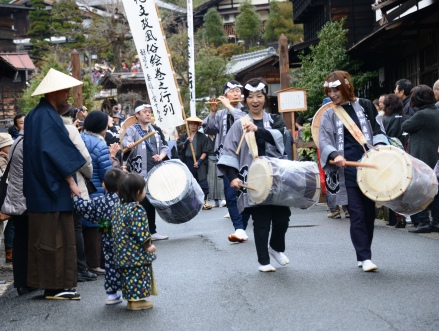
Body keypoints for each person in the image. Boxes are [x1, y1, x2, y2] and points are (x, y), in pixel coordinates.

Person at [23, 68, 86, 299]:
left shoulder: (38, 114)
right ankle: (54, 287)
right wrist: (70, 181)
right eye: (66, 90)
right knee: (54, 239)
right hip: (50, 188)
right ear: (55, 91)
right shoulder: (44, 116)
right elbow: (53, 151)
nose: (69, 94)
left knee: (53, 238)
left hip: (43, 186)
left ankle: (58, 285)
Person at [218, 78, 290, 272]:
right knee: (261, 220)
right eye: (250, 97)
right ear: (245, 100)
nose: (255, 100)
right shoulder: (239, 123)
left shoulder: (275, 120)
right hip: (253, 178)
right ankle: (264, 261)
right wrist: (232, 176)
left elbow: (282, 140)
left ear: (265, 98)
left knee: (283, 217)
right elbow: (229, 152)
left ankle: (276, 247)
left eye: (259, 96)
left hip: (276, 176)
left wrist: (258, 129)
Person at [319, 70, 388, 272]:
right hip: (347, 168)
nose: (332, 95)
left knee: (369, 213)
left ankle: (363, 252)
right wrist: (334, 155)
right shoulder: (329, 113)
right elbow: (323, 140)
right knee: (356, 212)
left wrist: (381, 151)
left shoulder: (365, 105)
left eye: (335, 90)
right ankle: (365, 257)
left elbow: (378, 131)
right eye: (329, 91)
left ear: (346, 87)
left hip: (368, 166)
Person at [203, 80, 250, 242]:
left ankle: (243, 225)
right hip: (226, 159)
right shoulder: (221, 115)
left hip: (244, 158)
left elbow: (243, 122)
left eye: (238, 91)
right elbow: (209, 130)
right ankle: (239, 228)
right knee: (230, 195)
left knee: (245, 194)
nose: (236, 93)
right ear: (225, 95)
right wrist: (213, 112)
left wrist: (230, 107)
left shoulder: (246, 110)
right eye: (233, 91)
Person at [73, 168, 125, 305]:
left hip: (108, 240)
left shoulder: (101, 201)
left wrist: (75, 196)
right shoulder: (127, 201)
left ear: (104, 185)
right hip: (126, 241)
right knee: (127, 266)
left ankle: (112, 295)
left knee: (111, 267)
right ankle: (130, 290)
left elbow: (85, 207)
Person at [122, 102, 169, 241]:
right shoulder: (132, 130)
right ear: (137, 115)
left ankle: (152, 231)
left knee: (151, 201)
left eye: (149, 111)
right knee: (140, 202)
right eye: (145, 111)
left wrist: (160, 156)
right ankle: (140, 232)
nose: (148, 114)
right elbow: (126, 143)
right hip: (139, 172)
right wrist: (129, 145)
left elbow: (165, 147)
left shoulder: (154, 130)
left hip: (154, 170)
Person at [111, 173, 157, 310]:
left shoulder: (118, 207)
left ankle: (131, 300)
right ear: (138, 192)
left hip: (121, 252)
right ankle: (137, 301)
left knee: (128, 277)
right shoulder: (137, 209)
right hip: (135, 253)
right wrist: (148, 246)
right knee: (139, 276)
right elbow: (141, 233)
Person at [61, 113, 97, 283]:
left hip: (50, 187)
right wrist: (88, 174)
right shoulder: (69, 130)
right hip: (73, 183)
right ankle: (81, 267)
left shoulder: (41, 131)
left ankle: (63, 268)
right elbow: (84, 160)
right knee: (76, 227)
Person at [402, 85, 439, 233]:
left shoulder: (422, 115)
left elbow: (405, 126)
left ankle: (423, 222)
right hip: (435, 157)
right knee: (435, 190)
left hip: (421, 158)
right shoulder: (436, 111)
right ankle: (436, 222)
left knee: (420, 190)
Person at [81, 110, 113, 275]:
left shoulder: (80, 138)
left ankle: (88, 263)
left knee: (85, 228)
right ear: (102, 127)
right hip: (97, 191)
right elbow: (107, 174)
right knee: (99, 228)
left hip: (82, 189)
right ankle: (97, 263)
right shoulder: (99, 144)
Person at [382, 94, 410, 228]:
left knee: (392, 187)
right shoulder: (408, 118)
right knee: (406, 186)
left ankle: (395, 218)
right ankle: (409, 216)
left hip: (391, 157)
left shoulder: (385, 120)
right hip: (407, 156)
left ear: (388, 106)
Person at [177, 116, 212, 210]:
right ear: (188, 125)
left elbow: (206, 150)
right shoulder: (184, 136)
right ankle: (191, 203)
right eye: (191, 124)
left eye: (194, 124)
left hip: (199, 160)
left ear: (198, 125)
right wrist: (186, 142)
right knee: (189, 182)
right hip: (187, 160)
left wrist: (199, 161)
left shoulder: (202, 137)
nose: (192, 126)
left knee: (202, 181)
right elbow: (179, 147)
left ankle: (203, 201)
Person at [0, 133, 14, 263]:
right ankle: (9, 253)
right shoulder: (2, 161)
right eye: (8, 145)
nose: (11, 147)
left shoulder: (6, 158)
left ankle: (10, 252)